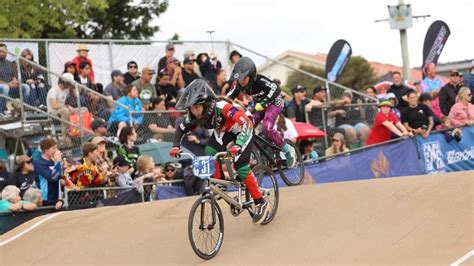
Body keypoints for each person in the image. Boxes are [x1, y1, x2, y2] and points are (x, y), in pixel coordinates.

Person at [170, 79, 269, 224]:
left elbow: (246, 124)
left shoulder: (224, 108)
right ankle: (220, 184)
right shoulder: (194, 114)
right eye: (191, 108)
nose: (195, 111)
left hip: (243, 127)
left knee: (241, 167)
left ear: (207, 104)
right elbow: (181, 129)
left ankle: (260, 201)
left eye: (197, 107)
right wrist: (175, 146)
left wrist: (239, 145)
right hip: (226, 129)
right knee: (210, 151)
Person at [227, 57, 294, 166]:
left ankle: (287, 150)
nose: (241, 82)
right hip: (260, 106)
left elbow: (276, 89)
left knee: (266, 128)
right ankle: (251, 155)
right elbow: (227, 99)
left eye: (244, 78)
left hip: (274, 103)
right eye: (239, 79)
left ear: (251, 75)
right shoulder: (238, 86)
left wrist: (265, 103)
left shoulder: (260, 80)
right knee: (247, 127)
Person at [0, 43, 30, 116]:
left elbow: (15, 76)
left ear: (7, 52)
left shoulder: (10, 63)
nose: (2, 53)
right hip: (3, 86)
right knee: (5, 87)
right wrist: (8, 84)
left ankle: (23, 109)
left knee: (26, 87)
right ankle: (2, 110)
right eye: (0, 51)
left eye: (3, 51)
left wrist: (15, 81)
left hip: (11, 87)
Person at [34, 138, 64, 207]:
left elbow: (58, 176)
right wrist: (57, 162)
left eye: (56, 148)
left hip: (57, 197)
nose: (56, 151)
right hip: (46, 199)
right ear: (46, 150)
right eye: (53, 148)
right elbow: (52, 177)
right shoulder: (39, 164)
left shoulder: (52, 161)